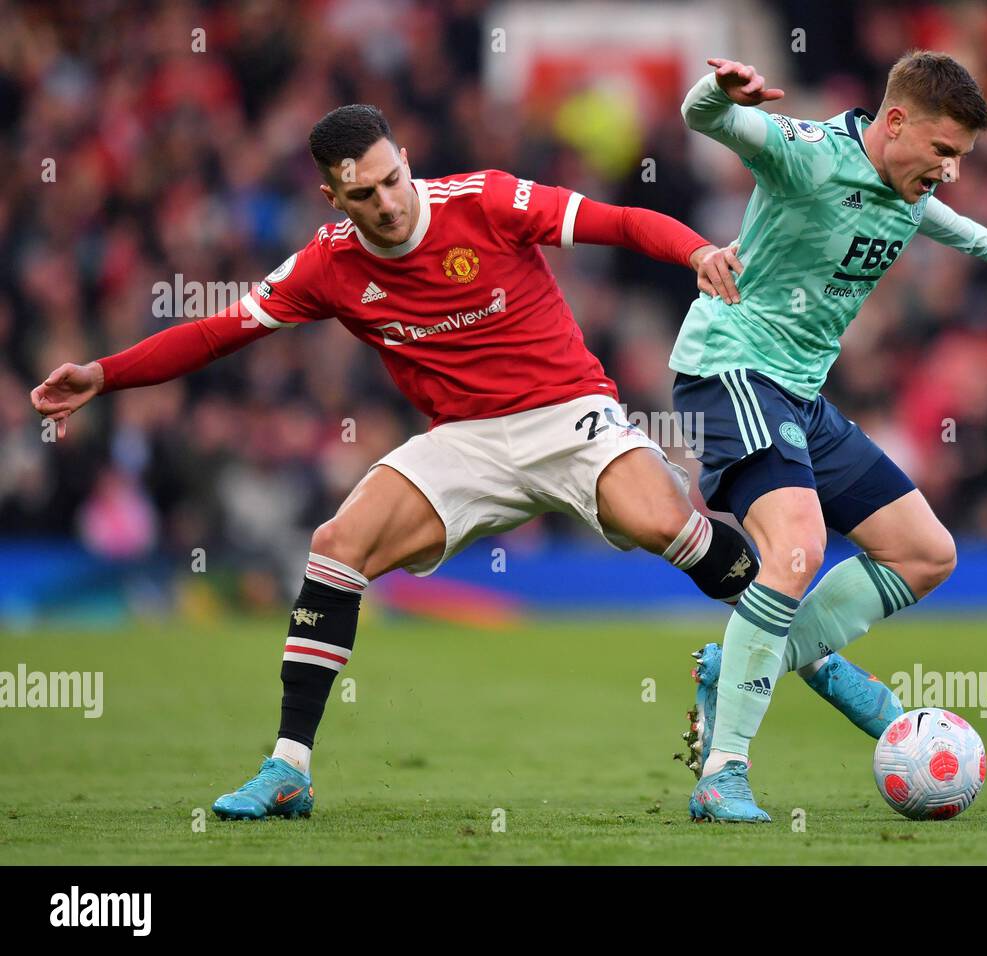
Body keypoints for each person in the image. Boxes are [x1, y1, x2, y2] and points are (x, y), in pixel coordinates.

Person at [30, 104, 758, 821]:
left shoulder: (486, 200)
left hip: (569, 414)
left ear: (405, 159)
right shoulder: (329, 263)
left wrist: (695, 251)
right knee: (335, 547)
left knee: (666, 522)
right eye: (362, 195)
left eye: (390, 181)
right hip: (465, 441)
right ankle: (288, 768)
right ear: (332, 198)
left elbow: (621, 222)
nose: (385, 205)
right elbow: (219, 331)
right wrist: (105, 374)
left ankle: (811, 652)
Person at [671, 52, 987, 822]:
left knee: (926, 552)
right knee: (798, 547)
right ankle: (722, 772)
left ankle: (747, 665)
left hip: (800, 396)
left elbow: (926, 214)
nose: (948, 171)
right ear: (897, 122)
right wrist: (717, 91)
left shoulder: (909, 186)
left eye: (961, 159)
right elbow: (702, 120)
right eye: (942, 151)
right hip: (732, 369)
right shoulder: (805, 154)